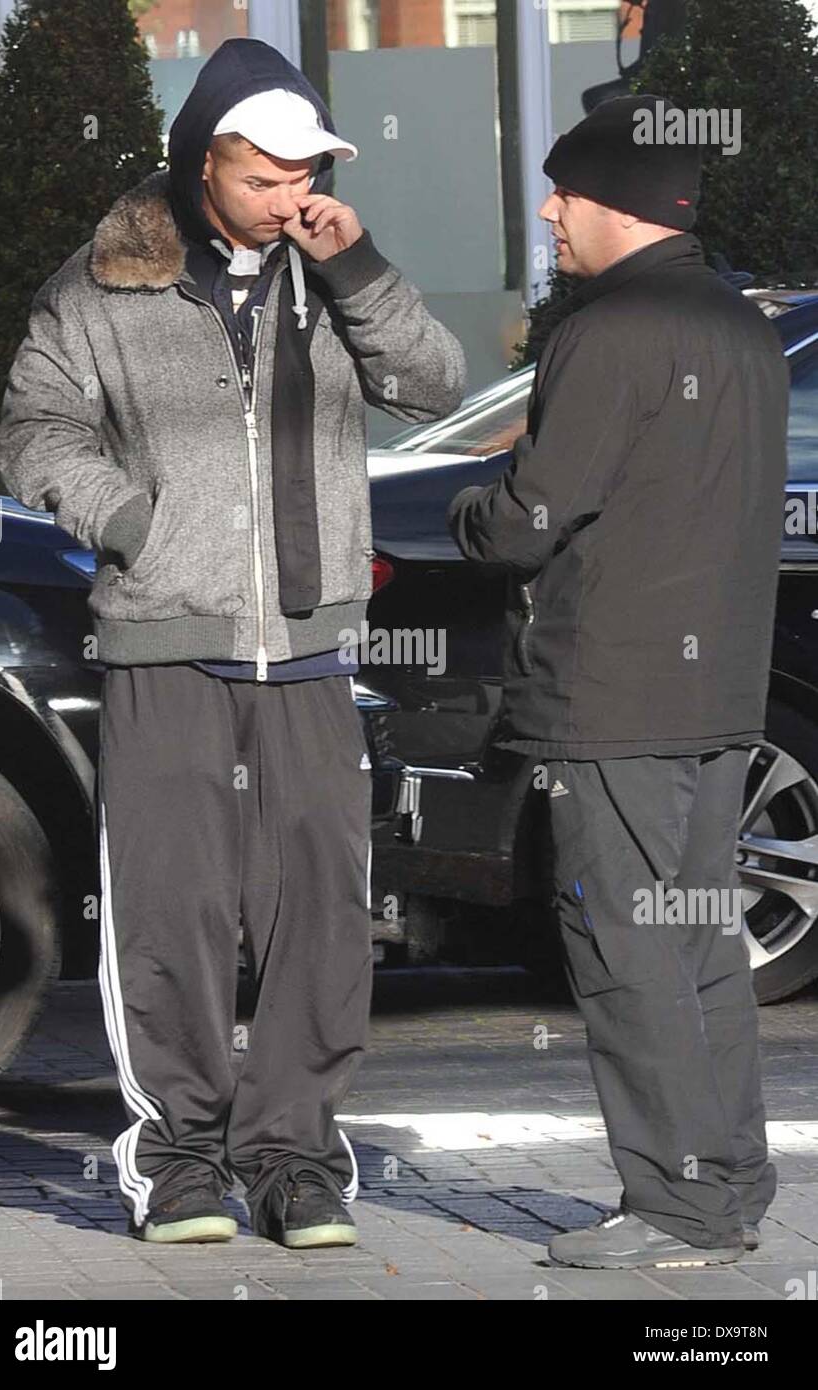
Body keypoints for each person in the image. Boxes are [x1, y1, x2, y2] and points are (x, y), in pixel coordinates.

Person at [0, 38, 466, 1249]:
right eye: (267, 177)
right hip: (166, 641)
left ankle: (299, 1158)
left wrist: (351, 261)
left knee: (319, 914)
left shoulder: (333, 270)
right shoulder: (103, 283)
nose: (290, 195)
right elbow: (34, 431)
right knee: (174, 914)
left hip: (308, 650)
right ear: (205, 163)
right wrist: (131, 521)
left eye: (307, 172)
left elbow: (434, 377)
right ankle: (182, 1160)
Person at [448, 95, 788, 1270]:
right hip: (715, 701)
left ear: (620, 207)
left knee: (629, 955)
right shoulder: (743, 326)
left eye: (564, 194)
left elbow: (529, 518)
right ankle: (727, 1189)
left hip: (612, 705)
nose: (549, 212)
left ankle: (675, 1210)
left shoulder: (608, 330)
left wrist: (468, 505)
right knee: (699, 948)